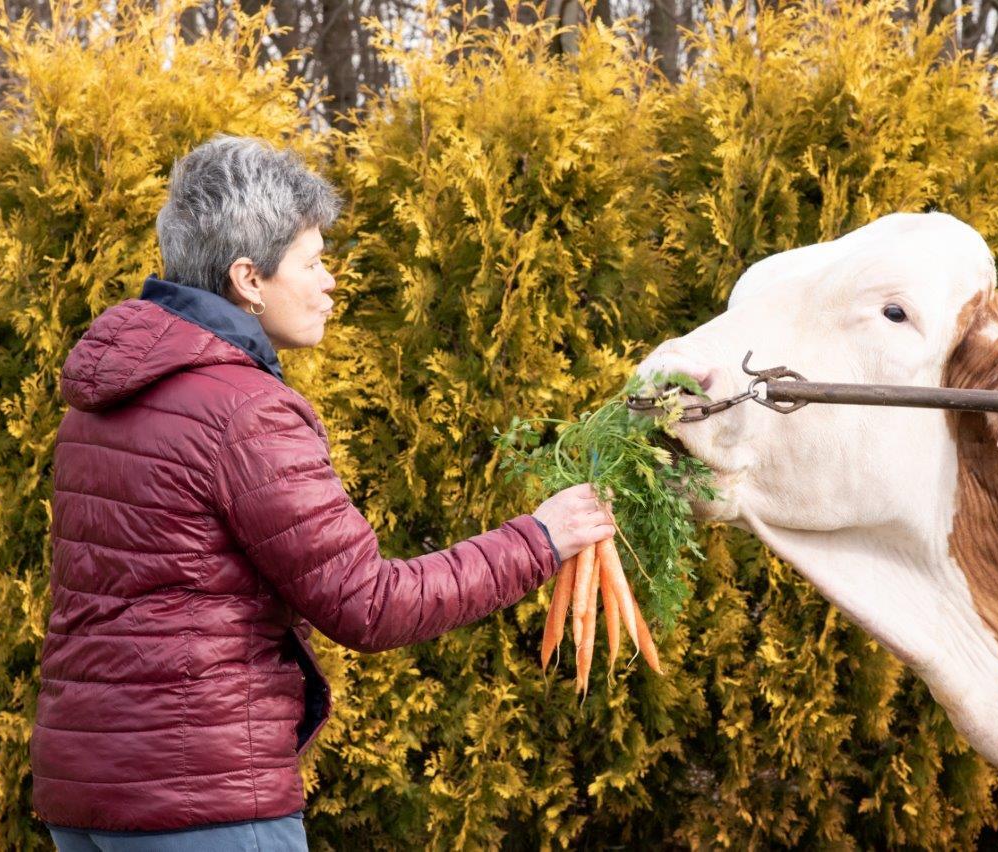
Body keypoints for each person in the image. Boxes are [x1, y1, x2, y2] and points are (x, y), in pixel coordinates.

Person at [31, 133, 613, 851]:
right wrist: (540, 538)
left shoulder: (100, 396)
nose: (330, 281)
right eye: (313, 262)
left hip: (86, 793)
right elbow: (370, 606)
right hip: (203, 803)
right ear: (249, 278)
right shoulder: (243, 408)